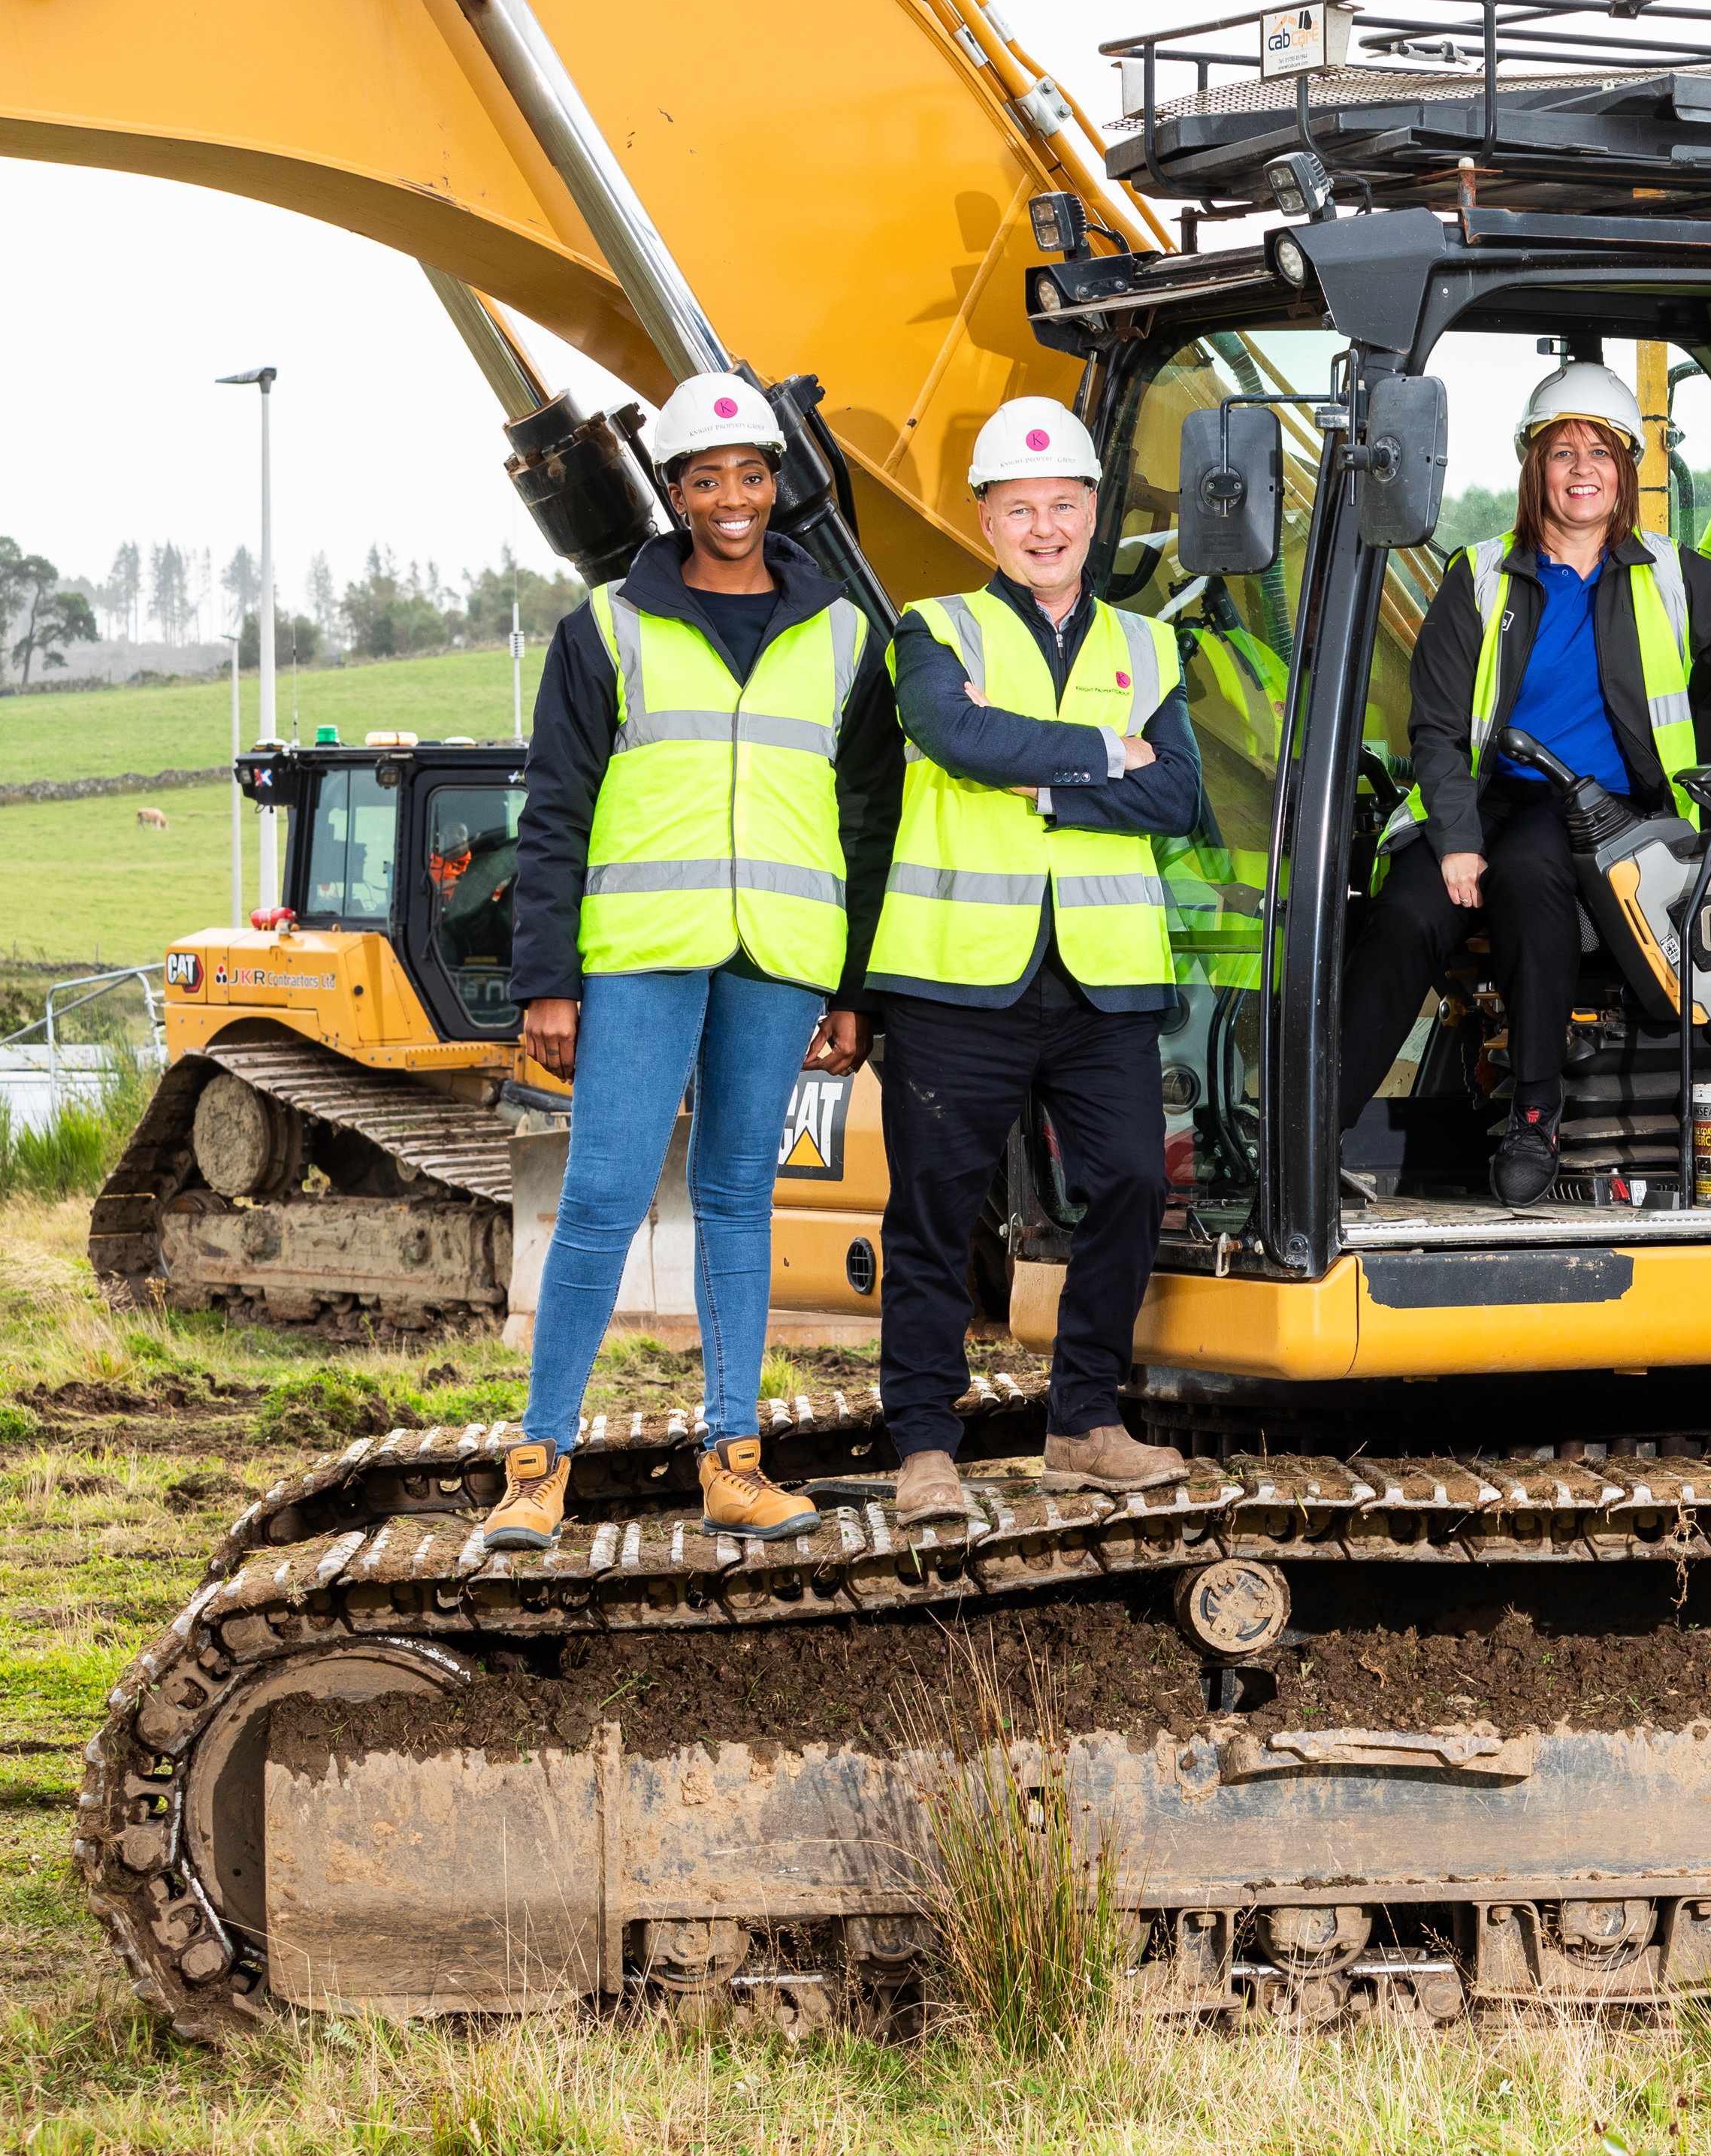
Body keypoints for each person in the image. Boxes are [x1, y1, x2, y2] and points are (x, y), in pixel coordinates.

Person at [483, 372, 896, 1551]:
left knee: (736, 1202)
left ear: (777, 486)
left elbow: (866, 809)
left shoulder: (841, 634)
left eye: (751, 476)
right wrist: (548, 981)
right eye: (706, 478)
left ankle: (734, 1460)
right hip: (643, 954)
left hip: (779, 957)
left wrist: (852, 981)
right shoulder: (606, 627)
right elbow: (553, 808)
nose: (732, 498)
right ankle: (536, 1466)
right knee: (605, 1198)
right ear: (671, 493)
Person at [1341, 361, 1711, 1203]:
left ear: (1625, 472)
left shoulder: (1669, 574)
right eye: (1562, 451)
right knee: (1406, 915)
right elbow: (1435, 727)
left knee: (1534, 880)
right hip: (1477, 794)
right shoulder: (1481, 573)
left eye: (1600, 453)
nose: (1581, 469)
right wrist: (1456, 842)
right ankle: (1318, 1126)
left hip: (1592, 813)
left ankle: (1534, 1118)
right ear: (1536, 467)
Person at [861, 396, 1203, 1517]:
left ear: (1094, 512)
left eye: (1063, 505)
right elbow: (957, 737)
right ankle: (922, 1447)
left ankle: (1085, 1419)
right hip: (959, 977)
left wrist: (1046, 783)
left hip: (1101, 977)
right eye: (1022, 508)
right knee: (936, 1207)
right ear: (987, 519)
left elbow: (1181, 794)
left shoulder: (1146, 643)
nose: (1045, 527)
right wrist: (1110, 748)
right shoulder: (937, 628)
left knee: (1134, 1185)